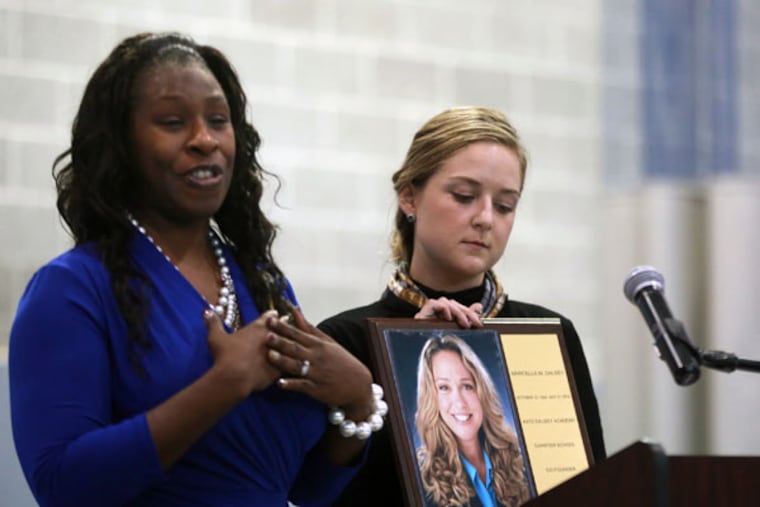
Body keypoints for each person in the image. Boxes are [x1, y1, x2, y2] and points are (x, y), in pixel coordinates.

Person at [8, 32, 385, 507]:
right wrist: (224, 384)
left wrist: (356, 402)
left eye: (218, 121)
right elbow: (62, 486)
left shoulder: (263, 283)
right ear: (121, 145)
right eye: (172, 122)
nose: (204, 140)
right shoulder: (71, 290)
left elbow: (300, 489)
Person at [318, 106, 606, 506]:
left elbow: (590, 488)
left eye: (505, 205)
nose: (486, 218)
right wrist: (402, 349)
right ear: (409, 196)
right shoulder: (344, 340)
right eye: (464, 196)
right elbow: (316, 489)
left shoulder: (547, 332)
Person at [415, 334, 529, 507]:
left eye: (467, 386)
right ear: (431, 398)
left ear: (482, 391)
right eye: (444, 388)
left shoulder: (517, 461)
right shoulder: (422, 480)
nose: (459, 402)